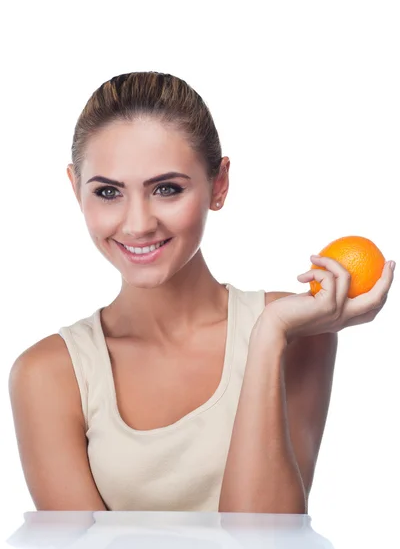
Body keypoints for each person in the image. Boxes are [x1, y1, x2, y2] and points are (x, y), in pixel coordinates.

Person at [8, 72, 395, 514]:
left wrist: (269, 335)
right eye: (108, 192)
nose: (137, 224)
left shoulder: (299, 329)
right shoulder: (48, 374)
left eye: (167, 189)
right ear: (77, 190)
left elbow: (268, 540)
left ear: (219, 184)